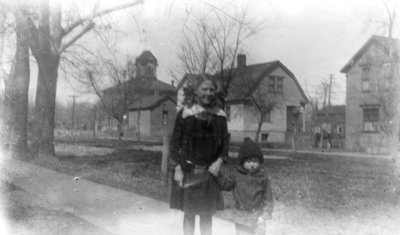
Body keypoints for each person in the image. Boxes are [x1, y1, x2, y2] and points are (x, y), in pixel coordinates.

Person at [169, 75, 229, 235]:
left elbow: (225, 142)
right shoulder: (185, 114)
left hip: (209, 174)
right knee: (189, 214)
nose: (208, 93)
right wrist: (177, 168)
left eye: (211, 89)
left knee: (206, 216)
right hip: (189, 175)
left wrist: (220, 160)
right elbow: (174, 143)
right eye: (204, 89)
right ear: (196, 92)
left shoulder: (220, 116)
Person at [218, 137, 273, 235]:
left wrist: (265, 214)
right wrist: (218, 175)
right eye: (248, 161)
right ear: (242, 162)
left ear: (260, 162)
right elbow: (226, 185)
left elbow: (267, 197)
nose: (252, 164)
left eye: (255, 161)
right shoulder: (236, 175)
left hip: (258, 216)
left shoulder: (263, 177)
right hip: (240, 217)